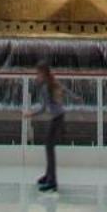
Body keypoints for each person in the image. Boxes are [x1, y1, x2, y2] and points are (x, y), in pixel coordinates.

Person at [29, 63, 65, 192]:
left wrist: (30, 114)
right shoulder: (51, 83)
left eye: (38, 74)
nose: (36, 76)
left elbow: (44, 108)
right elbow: (64, 90)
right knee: (49, 146)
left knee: (49, 147)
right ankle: (48, 176)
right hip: (58, 117)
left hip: (57, 118)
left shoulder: (46, 87)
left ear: (43, 74)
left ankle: (52, 181)